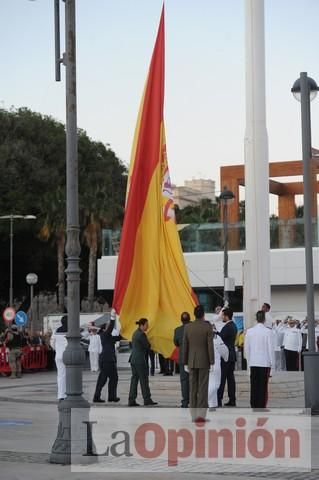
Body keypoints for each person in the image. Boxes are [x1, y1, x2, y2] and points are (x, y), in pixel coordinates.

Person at [183, 305, 214, 422]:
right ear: (203, 315)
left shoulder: (188, 327)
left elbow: (185, 346)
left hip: (191, 360)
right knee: (202, 389)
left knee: (193, 388)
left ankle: (193, 415)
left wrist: (185, 361)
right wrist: (212, 361)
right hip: (204, 361)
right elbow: (209, 345)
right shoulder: (207, 327)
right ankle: (201, 416)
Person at [244, 310, 274, 409]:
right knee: (263, 386)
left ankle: (253, 404)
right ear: (264, 319)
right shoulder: (268, 332)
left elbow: (247, 349)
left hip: (253, 362)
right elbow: (271, 349)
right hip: (264, 363)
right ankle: (261, 405)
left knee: (254, 385)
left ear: (256, 319)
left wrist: (249, 362)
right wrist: (272, 365)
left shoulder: (250, 331)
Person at [128, 318, 157, 406]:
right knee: (144, 380)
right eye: (146, 325)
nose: (147, 327)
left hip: (133, 359)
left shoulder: (135, 333)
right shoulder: (141, 335)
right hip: (140, 360)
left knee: (134, 380)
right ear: (142, 325)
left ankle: (131, 400)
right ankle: (147, 399)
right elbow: (147, 345)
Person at [93, 316, 122, 403]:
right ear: (105, 328)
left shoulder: (108, 337)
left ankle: (111, 396)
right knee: (103, 379)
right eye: (108, 326)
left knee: (112, 378)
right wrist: (112, 317)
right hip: (107, 360)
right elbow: (111, 327)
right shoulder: (104, 335)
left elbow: (119, 337)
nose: (110, 327)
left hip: (109, 360)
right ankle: (97, 397)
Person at [217, 307, 237, 407]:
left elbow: (220, 337)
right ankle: (232, 399)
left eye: (223, 315)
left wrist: (215, 331)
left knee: (222, 378)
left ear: (226, 316)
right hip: (232, 355)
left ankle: (218, 398)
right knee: (230, 379)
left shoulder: (228, 326)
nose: (222, 317)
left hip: (226, 356)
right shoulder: (233, 325)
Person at [174, 311, 191, 408]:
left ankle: (185, 401)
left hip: (183, 358)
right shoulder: (193, 328)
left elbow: (176, 343)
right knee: (194, 380)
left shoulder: (177, 330)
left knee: (184, 381)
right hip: (193, 357)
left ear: (181, 320)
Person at [208, 330, 229, 410]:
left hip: (201, 364)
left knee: (209, 384)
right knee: (215, 384)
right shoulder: (216, 338)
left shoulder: (198, 337)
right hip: (214, 364)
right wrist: (226, 358)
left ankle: (212, 404)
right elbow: (224, 350)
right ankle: (202, 400)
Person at [50, 315, 68, 401]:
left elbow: (52, 343)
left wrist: (57, 349)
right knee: (70, 375)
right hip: (69, 355)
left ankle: (61, 395)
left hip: (59, 356)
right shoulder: (71, 330)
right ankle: (69, 393)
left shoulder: (56, 331)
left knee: (61, 375)